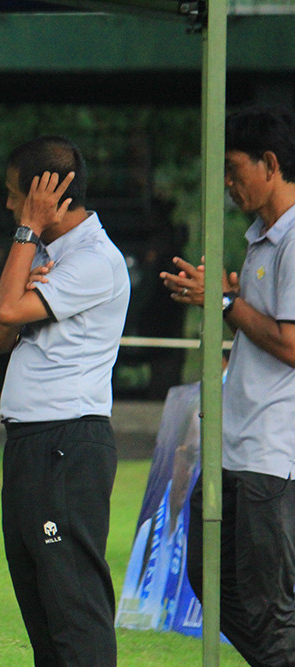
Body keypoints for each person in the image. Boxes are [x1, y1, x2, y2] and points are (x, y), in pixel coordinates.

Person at [0, 136, 130, 666]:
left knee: (73, 603)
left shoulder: (94, 260)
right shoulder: (43, 255)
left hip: (68, 443)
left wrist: (28, 232)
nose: (7, 206)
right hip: (29, 443)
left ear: (48, 197)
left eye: (15, 195)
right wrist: (27, 261)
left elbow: (5, 307)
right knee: (39, 601)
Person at [160, 106, 295, 666]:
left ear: (270, 163)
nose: (230, 183)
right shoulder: (262, 237)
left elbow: (291, 343)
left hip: (272, 448)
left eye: (235, 169)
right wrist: (229, 302)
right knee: (208, 576)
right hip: (234, 444)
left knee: (269, 604)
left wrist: (224, 303)